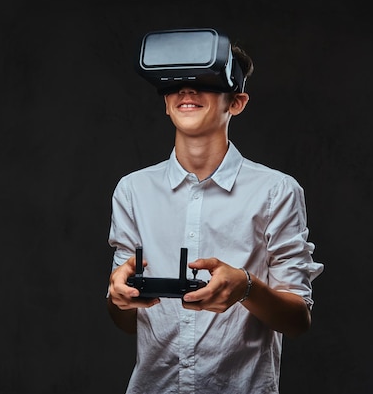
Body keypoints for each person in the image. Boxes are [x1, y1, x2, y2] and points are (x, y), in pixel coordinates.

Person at [106, 28, 324, 394]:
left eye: (203, 81)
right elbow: (129, 322)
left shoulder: (276, 191)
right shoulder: (133, 190)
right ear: (165, 101)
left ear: (236, 103)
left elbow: (298, 319)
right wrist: (120, 298)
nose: (186, 91)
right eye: (175, 84)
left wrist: (246, 288)